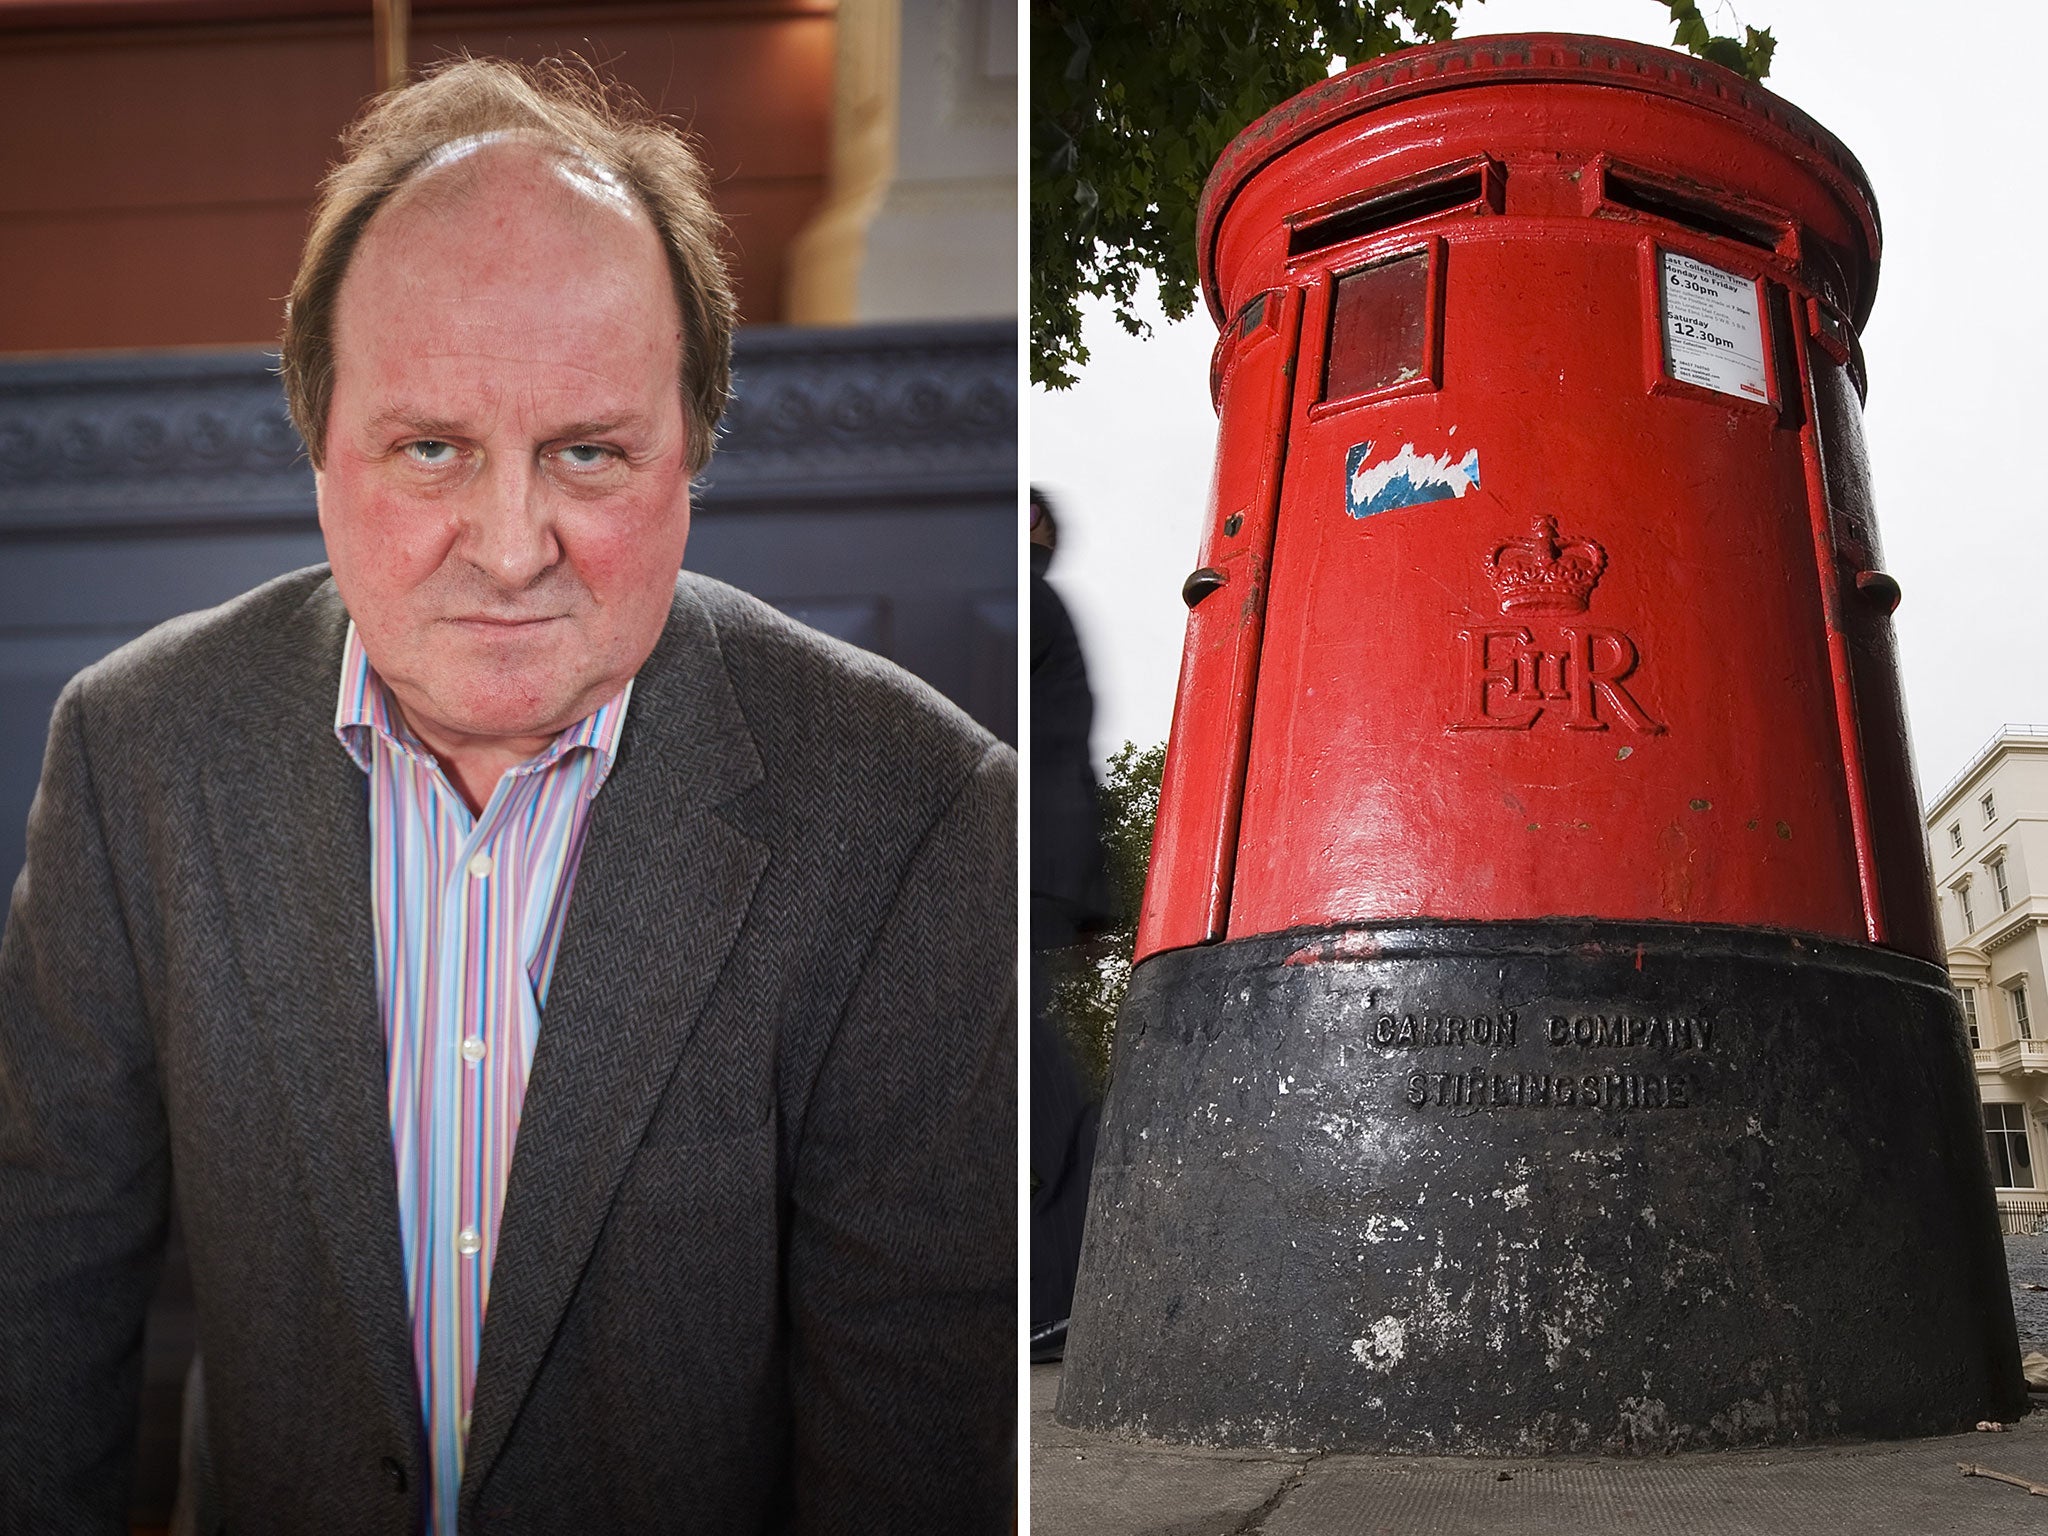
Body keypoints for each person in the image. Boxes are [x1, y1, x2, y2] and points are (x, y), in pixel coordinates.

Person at [0, 59, 1014, 1536]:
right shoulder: (135, 753)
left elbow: (913, 1450)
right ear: (319, 441)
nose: (512, 543)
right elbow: (41, 1285)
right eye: (432, 451)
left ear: (693, 451)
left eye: (589, 453)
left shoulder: (917, 814)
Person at [1027, 487, 1108, 1363]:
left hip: (1029, 874)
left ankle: (1050, 1308)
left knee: (1050, 1099)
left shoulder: (1025, 600)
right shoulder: (1047, 604)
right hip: (1050, 877)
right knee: (1058, 1096)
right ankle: (1057, 1301)